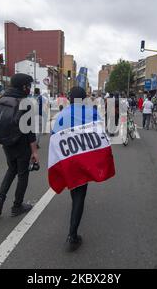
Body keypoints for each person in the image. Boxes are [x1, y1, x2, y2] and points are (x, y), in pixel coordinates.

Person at [48, 86, 115, 251]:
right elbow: (101, 134)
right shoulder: (91, 112)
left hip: (69, 161)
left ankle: (73, 225)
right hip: (84, 161)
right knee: (80, 195)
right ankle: (72, 235)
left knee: (75, 191)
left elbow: (54, 138)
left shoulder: (61, 115)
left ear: (69, 99)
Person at [0, 74, 39, 217]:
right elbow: (30, 132)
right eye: (28, 86)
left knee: (11, 169)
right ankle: (17, 206)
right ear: (23, 87)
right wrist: (35, 152)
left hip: (7, 142)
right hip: (21, 144)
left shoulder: (2, 99)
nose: (30, 89)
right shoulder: (25, 103)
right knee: (22, 174)